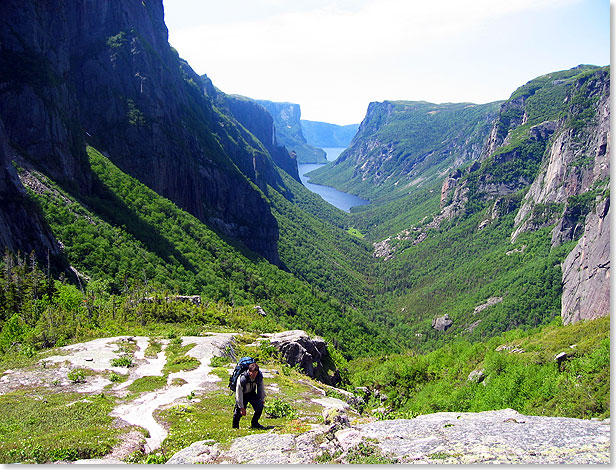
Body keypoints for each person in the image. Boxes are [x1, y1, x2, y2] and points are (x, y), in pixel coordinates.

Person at [233, 362, 266, 429]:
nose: (254, 375)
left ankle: (254, 423)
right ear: (249, 371)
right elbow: (239, 393)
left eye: (256, 373)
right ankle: (235, 427)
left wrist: (262, 399)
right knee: (238, 413)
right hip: (243, 394)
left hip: (251, 393)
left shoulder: (258, 377)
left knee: (259, 407)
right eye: (253, 373)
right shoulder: (242, 378)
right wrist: (241, 407)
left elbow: (261, 388)